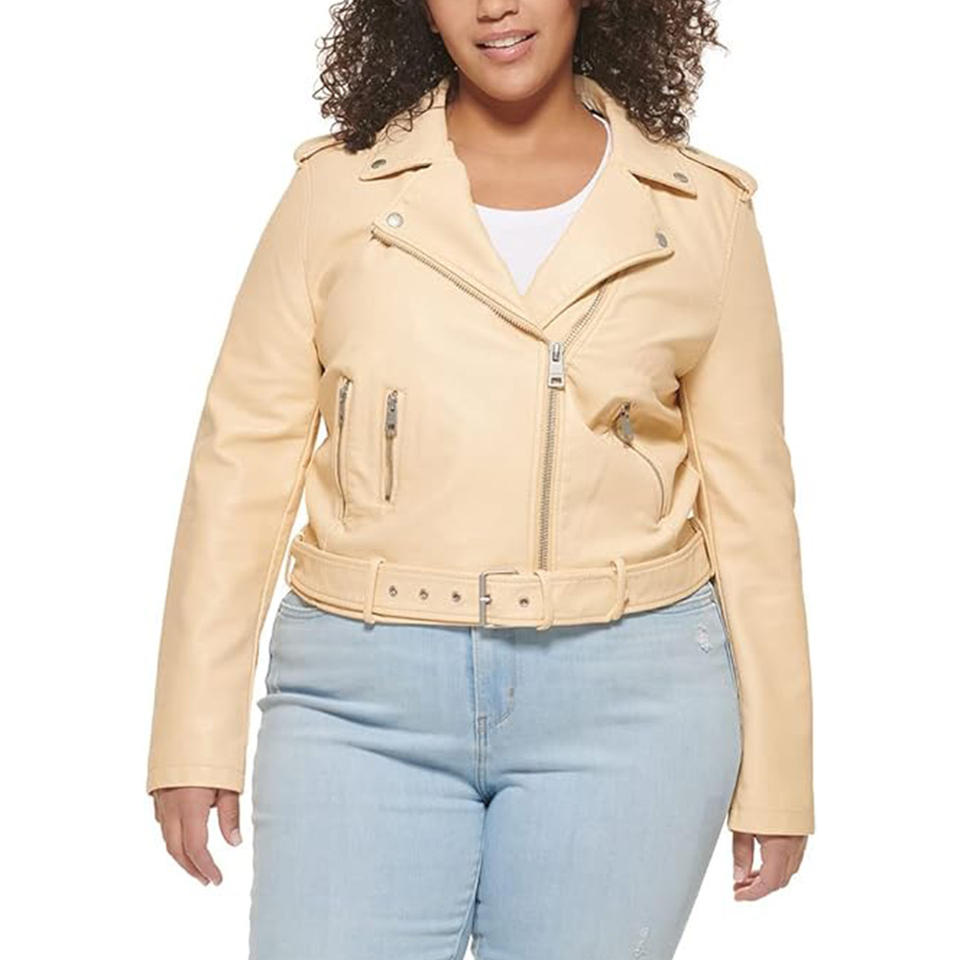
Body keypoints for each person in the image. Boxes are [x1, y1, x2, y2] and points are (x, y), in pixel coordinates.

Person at [147, 0, 814, 956]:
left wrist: (780, 772)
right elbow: (241, 458)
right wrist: (193, 731)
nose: (494, 7)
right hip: (358, 696)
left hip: (632, 703)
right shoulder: (336, 192)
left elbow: (752, 505)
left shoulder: (701, 212)